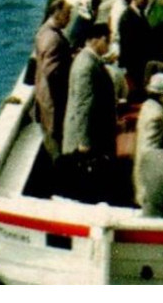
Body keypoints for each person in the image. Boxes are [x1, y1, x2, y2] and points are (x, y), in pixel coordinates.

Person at [60, 22, 119, 202]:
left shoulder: (89, 60)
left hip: (93, 131)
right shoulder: (86, 66)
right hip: (86, 137)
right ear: (99, 40)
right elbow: (83, 105)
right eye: (107, 42)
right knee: (87, 179)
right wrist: (84, 142)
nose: (108, 46)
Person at [31, 0, 75, 159]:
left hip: (46, 101)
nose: (69, 18)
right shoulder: (53, 39)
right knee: (58, 151)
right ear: (57, 12)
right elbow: (53, 74)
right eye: (67, 13)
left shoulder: (44, 32)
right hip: (54, 105)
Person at [132, 73, 163, 210]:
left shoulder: (148, 106)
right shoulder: (157, 115)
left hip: (143, 169)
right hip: (150, 175)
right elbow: (151, 149)